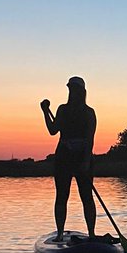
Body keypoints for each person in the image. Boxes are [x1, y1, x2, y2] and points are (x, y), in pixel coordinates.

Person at [40, 76, 97, 240]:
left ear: (82, 92)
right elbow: (53, 130)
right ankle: (59, 234)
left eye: (75, 89)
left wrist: (85, 161)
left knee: (86, 196)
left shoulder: (89, 112)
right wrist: (45, 111)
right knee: (62, 195)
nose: (73, 92)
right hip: (64, 156)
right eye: (70, 89)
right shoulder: (62, 110)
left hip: (82, 156)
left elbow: (90, 139)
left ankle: (92, 234)